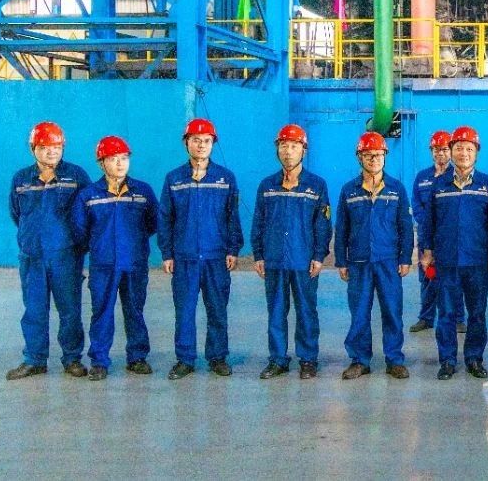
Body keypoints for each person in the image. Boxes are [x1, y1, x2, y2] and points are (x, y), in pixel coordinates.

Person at [158, 118, 244, 380]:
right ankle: (185, 359)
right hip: (184, 257)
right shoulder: (174, 179)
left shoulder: (225, 178)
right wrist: (167, 253)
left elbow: (232, 217)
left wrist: (233, 249)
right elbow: (165, 218)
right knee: (184, 311)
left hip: (216, 257)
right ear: (186, 143)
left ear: (213, 144)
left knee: (217, 309)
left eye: (207, 141)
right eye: (196, 140)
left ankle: (217, 357)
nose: (201, 145)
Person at [6, 122, 92, 380]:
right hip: (32, 257)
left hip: (66, 257)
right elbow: (16, 213)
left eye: (56, 146)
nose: (51, 152)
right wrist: (32, 238)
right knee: (34, 310)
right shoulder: (21, 179)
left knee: (70, 311)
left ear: (63, 147)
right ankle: (34, 359)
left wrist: (77, 247)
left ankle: (72, 359)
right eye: (44, 147)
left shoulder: (76, 176)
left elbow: (88, 213)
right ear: (33, 149)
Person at [71, 136, 158, 381]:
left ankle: (137, 357)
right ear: (101, 163)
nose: (120, 163)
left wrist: (134, 243)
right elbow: (79, 230)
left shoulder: (143, 192)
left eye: (124, 158)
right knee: (102, 312)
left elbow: (153, 223)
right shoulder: (88, 195)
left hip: (134, 262)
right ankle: (99, 361)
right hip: (103, 265)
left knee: (135, 310)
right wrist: (100, 247)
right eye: (113, 159)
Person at [251, 124, 332, 379]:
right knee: (276, 311)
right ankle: (278, 359)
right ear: (277, 150)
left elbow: (322, 224)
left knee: (306, 311)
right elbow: (258, 222)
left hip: (303, 260)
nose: (288, 151)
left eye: (294, 146)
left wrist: (319, 256)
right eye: (284, 146)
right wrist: (258, 254)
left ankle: (308, 359)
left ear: (303, 151)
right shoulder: (267, 185)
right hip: (274, 259)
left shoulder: (316, 185)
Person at [419, 126, 488, 380]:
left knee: (477, 313)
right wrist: (427, 251)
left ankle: (474, 358)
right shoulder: (439, 184)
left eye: (469, 148)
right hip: (447, 259)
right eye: (459, 148)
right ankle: (448, 360)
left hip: (477, 260)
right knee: (447, 313)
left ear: (476, 152)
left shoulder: (487, 184)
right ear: (451, 151)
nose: (464, 153)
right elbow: (428, 221)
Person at [336, 132, 414, 380]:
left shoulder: (396, 189)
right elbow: (342, 228)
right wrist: (341, 260)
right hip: (358, 262)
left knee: (392, 311)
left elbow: (405, 226)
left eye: (378, 155)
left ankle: (394, 359)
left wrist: (405, 258)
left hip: (388, 262)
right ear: (359, 157)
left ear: (385, 157)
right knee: (359, 313)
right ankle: (360, 360)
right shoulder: (349, 190)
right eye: (368, 155)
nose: (374, 159)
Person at [411, 131, 464, 334]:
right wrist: (428, 225)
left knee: (453, 279)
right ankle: (426, 318)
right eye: (436, 150)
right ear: (431, 152)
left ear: (450, 151)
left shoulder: (457, 175)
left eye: (443, 149)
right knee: (428, 277)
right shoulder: (422, 177)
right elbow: (416, 205)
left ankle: (458, 319)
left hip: (450, 237)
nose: (440, 153)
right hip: (427, 235)